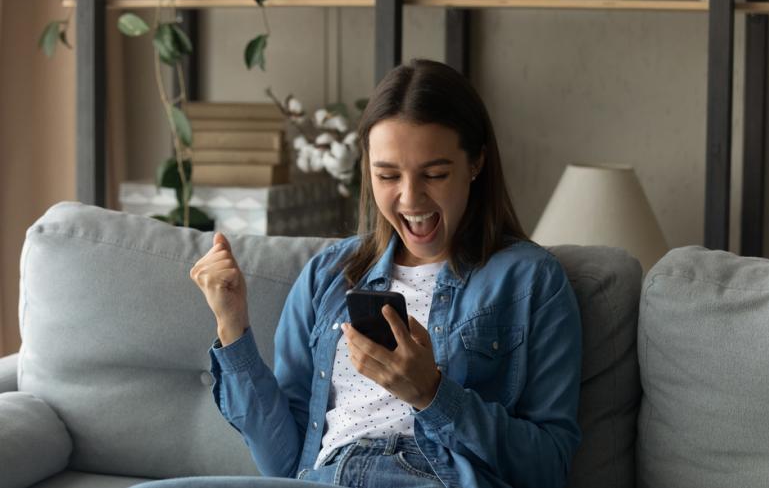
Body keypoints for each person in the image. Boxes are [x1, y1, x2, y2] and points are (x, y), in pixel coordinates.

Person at [136, 58, 582, 488]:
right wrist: (232, 325)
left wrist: (432, 393)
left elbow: (548, 467)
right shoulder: (327, 276)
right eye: (388, 176)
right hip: (325, 477)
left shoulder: (530, 280)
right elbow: (283, 462)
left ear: (476, 163)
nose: (411, 199)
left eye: (435, 174)